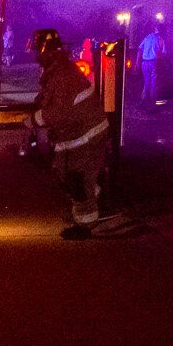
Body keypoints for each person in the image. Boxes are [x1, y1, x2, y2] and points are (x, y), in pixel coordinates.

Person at [28, 27, 110, 239]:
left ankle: (85, 225)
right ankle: (94, 190)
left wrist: (33, 120)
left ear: (44, 49)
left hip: (87, 135)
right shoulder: (56, 70)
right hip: (73, 136)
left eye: (37, 49)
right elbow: (51, 99)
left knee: (77, 180)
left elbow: (59, 112)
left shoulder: (62, 74)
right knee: (63, 175)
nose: (36, 55)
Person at [135, 19, 167, 109]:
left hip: (144, 63)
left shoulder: (147, 37)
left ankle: (144, 102)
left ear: (155, 28)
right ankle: (152, 105)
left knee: (146, 83)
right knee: (154, 84)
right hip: (155, 63)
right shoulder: (161, 39)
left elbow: (140, 49)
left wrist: (137, 62)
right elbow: (164, 53)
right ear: (162, 30)